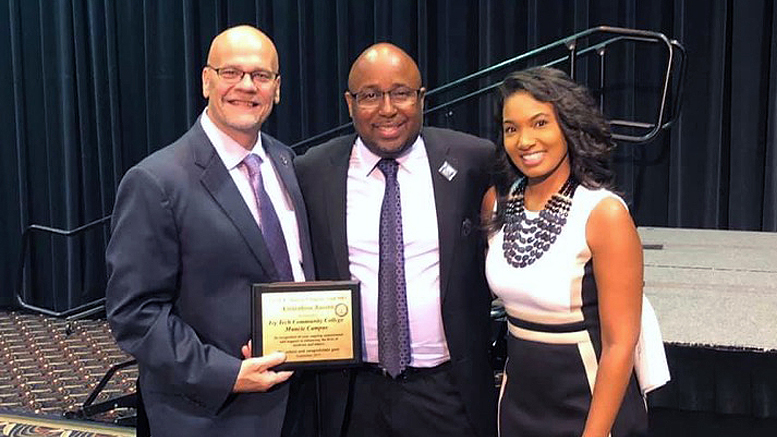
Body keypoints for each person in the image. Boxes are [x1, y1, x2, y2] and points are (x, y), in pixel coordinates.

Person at [105, 25, 315, 436]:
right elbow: (134, 313)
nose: (246, 86)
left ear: (277, 88)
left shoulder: (288, 163)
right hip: (211, 414)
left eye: (261, 75)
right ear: (206, 81)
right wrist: (227, 374)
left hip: (297, 403)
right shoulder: (155, 180)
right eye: (231, 73)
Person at [295, 43, 497, 437]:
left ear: (421, 98)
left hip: (447, 389)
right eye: (370, 95)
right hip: (350, 393)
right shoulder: (313, 171)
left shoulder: (472, 160)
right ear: (349, 102)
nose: (387, 109)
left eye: (401, 93)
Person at [482, 66, 647, 436]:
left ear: (568, 127)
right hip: (518, 406)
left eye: (540, 123)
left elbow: (621, 344)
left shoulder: (602, 213)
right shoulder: (497, 203)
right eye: (512, 128)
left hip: (589, 404)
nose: (524, 140)